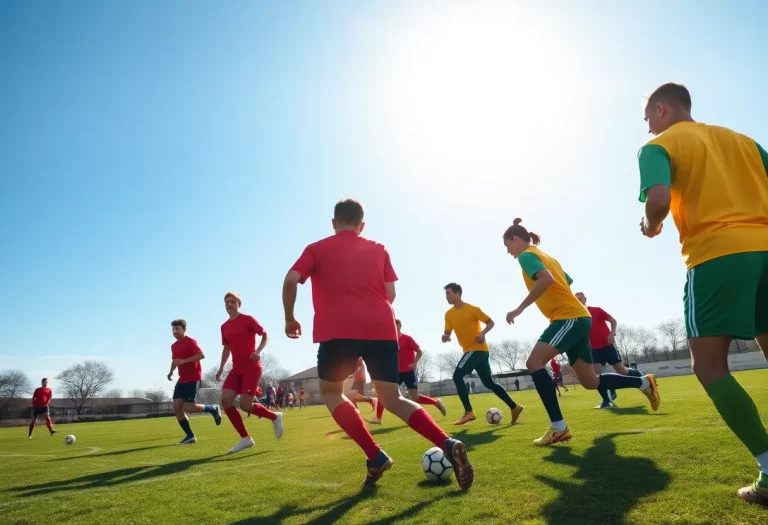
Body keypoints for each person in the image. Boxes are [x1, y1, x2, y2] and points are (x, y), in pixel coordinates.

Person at [282, 198, 474, 490]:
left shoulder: (316, 248)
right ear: (362, 225)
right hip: (382, 328)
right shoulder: (379, 248)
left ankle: (375, 454)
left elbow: (291, 279)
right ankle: (446, 443)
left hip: (338, 330)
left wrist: (289, 318)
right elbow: (391, 293)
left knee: (332, 392)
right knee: (392, 398)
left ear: (334, 223)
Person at [637, 82, 768, 504]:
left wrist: (652, 224)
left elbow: (658, 197)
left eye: (646, 120)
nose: (647, 129)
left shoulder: (659, 147)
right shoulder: (744, 141)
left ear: (660, 110)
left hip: (717, 255)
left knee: (709, 366)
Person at [502, 218, 660, 446]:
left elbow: (546, 280)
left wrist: (520, 308)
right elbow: (567, 280)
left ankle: (559, 428)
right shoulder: (547, 256)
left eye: (507, 246)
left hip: (569, 317)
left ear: (516, 239)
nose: (508, 252)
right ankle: (644, 383)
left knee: (534, 362)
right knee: (591, 381)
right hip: (577, 317)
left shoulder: (527, 256)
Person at [442, 283, 523, 425]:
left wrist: (482, 333)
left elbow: (491, 322)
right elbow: (447, 332)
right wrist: (445, 337)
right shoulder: (448, 314)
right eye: (446, 293)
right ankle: (514, 407)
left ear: (457, 293)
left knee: (457, 376)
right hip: (474, 351)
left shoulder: (473, 309)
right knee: (488, 382)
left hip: (477, 349)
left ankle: (469, 412)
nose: (446, 296)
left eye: (448, 293)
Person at [216, 292, 284, 454]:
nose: (229, 304)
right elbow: (226, 349)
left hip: (252, 367)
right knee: (225, 400)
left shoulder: (248, 319)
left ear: (239, 304)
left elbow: (265, 334)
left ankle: (275, 417)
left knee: (245, 405)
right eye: (227, 302)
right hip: (236, 369)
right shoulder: (224, 327)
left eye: (233, 301)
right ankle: (245, 438)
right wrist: (221, 367)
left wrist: (259, 350)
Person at [574, 293, 644, 408]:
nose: (578, 301)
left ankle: (638, 375)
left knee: (621, 371)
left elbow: (613, 321)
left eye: (580, 298)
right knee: (595, 375)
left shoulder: (596, 310)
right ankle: (606, 401)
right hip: (593, 349)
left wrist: (612, 333)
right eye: (576, 299)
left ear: (585, 299)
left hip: (607, 345)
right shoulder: (575, 317)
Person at [370, 319, 446, 424]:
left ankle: (436, 403)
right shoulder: (390, 341)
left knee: (415, 398)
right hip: (395, 373)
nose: (393, 327)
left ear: (400, 326)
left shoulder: (407, 339)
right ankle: (378, 418)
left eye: (395, 325)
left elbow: (419, 351)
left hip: (408, 371)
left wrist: (415, 363)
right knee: (384, 394)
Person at [167, 319, 221, 444]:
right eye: (173, 330)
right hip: (182, 380)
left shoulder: (190, 341)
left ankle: (213, 408)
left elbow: (201, 355)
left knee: (188, 407)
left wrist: (184, 361)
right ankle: (190, 436)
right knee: (176, 408)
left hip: (193, 378)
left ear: (184, 329)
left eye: (177, 329)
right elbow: (175, 361)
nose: (175, 332)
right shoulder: (173, 346)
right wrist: (170, 372)